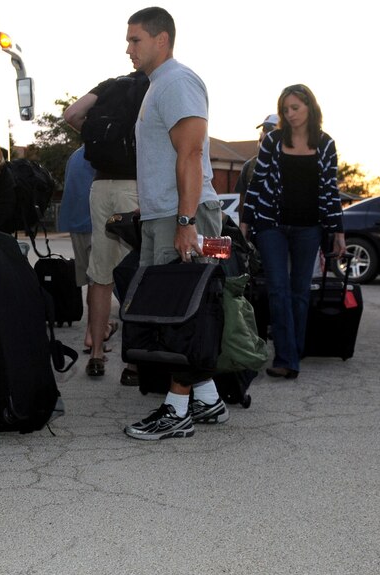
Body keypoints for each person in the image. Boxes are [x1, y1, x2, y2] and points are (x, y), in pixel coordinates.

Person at [124, 6, 229, 440]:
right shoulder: (156, 87)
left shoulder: (178, 81)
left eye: (135, 40)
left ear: (161, 39)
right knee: (173, 308)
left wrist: (186, 221)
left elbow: (189, 154)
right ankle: (206, 399)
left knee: (181, 311)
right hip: (165, 214)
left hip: (183, 215)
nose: (128, 49)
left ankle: (177, 409)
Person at [240, 84, 346, 379]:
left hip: (309, 227)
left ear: (310, 107)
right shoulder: (273, 141)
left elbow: (330, 190)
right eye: (286, 109)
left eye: (295, 108)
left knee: (300, 293)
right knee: (277, 289)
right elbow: (256, 184)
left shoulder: (325, 144)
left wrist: (338, 231)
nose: (290, 114)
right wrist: (246, 224)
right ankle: (287, 358)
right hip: (271, 224)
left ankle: (293, 352)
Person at [64, 73, 145, 385]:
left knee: (100, 273)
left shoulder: (110, 85)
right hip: (135, 185)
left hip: (100, 186)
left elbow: (71, 114)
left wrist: (101, 140)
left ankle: (96, 354)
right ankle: (135, 362)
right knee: (136, 272)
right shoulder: (151, 86)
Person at [57, 145, 119, 354]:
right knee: (100, 281)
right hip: (96, 223)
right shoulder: (103, 153)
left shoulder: (75, 156)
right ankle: (94, 334)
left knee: (91, 282)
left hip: (76, 224)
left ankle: (98, 329)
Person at [235, 114, 279, 214]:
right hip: (256, 226)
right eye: (264, 129)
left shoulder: (292, 162)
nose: (264, 134)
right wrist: (242, 227)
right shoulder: (249, 166)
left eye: (269, 129)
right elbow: (243, 201)